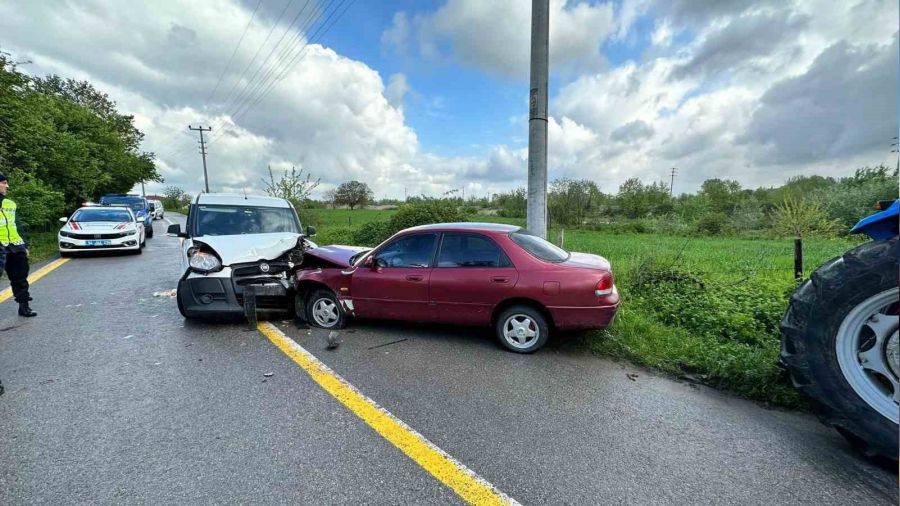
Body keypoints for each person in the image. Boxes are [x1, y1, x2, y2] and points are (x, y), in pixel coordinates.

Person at [0, 174, 36, 317]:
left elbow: (18, 225)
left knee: (20, 277)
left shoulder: (10, 203)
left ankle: (24, 306)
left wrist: (24, 245)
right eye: (4, 183)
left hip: (15, 244)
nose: (7, 186)